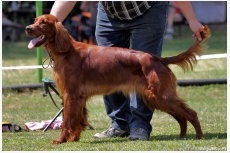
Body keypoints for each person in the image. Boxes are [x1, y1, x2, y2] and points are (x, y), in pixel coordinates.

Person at [50, 1, 204, 141]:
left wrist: (192, 19)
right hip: (110, 12)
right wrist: (49, 22)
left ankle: (140, 126)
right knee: (103, 70)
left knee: (152, 81)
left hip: (148, 9)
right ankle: (119, 124)